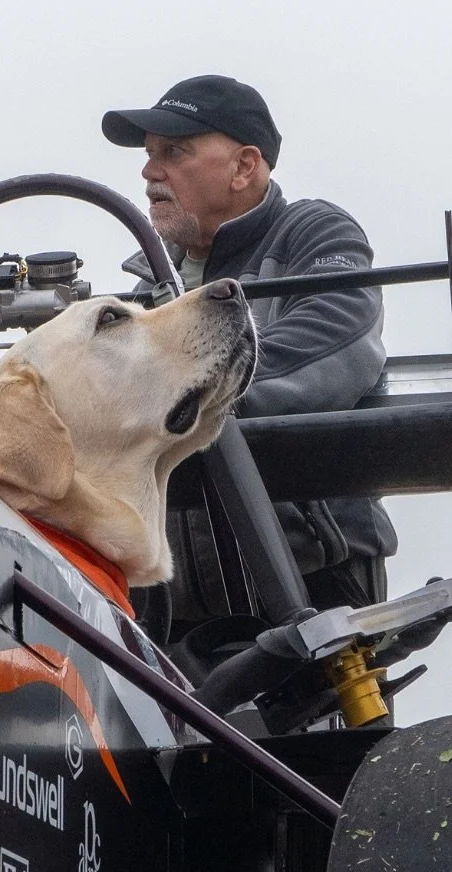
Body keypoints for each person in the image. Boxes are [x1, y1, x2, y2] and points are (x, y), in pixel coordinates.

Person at [102, 74, 396, 623]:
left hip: (312, 580)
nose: (148, 172)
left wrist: (180, 400)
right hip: (175, 609)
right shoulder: (144, 291)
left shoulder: (312, 232)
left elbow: (336, 337)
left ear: (244, 166)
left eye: (174, 151)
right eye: (148, 155)